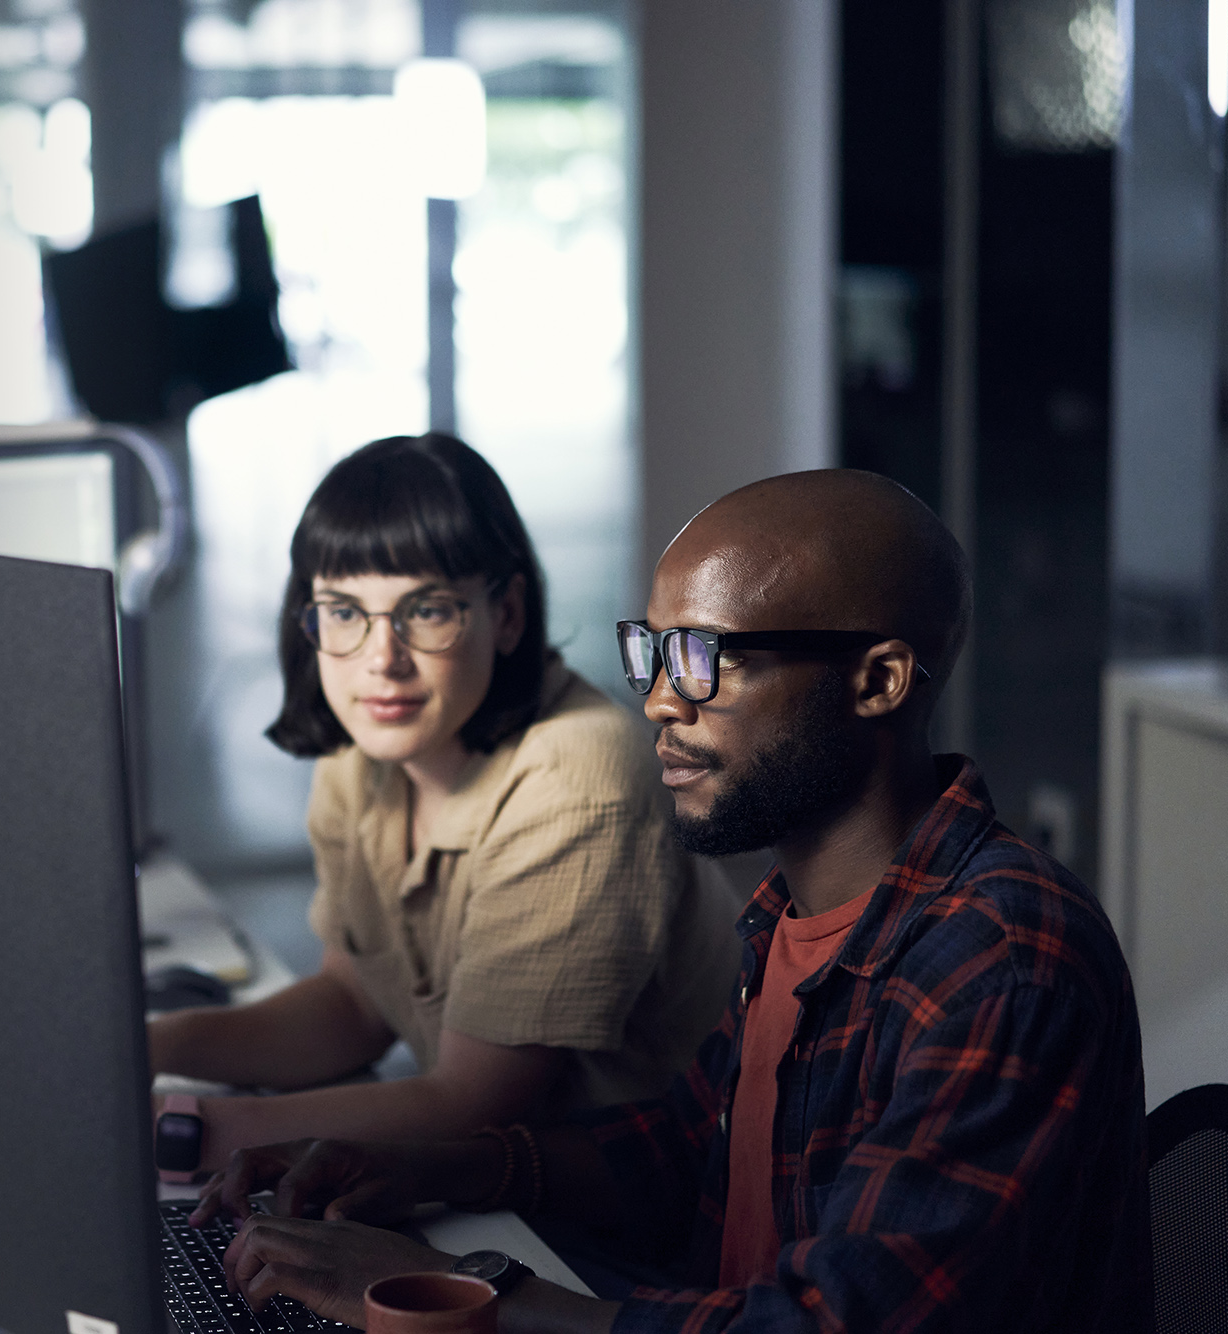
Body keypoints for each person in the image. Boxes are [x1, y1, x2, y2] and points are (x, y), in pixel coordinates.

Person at [194, 469, 1154, 1333]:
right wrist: (435, 1169)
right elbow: (688, 1145)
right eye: (651, 652)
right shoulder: (793, 910)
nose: (657, 700)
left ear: (879, 682)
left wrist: (462, 1283)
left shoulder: (1003, 962)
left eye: (704, 659)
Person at [148, 433, 738, 1172]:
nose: (380, 659)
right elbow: (355, 1004)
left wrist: (186, 1128)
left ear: (509, 614)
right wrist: (148, 1050)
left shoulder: (578, 777)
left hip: (624, 1220)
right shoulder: (366, 744)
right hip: (485, 1181)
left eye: (425, 612)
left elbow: (473, 1103)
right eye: (343, 611)